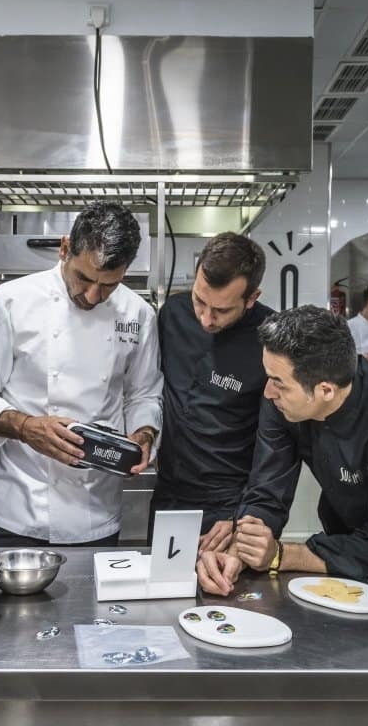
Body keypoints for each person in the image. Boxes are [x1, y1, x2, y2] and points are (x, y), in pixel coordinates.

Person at [0, 202, 163, 546]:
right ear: (65, 248)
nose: (93, 296)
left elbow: (143, 394)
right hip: (16, 508)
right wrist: (26, 427)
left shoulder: (138, 314)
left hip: (96, 513)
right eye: (84, 278)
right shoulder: (10, 301)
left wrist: (143, 434)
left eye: (109, 285)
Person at [197, 305, 368, 596]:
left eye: (279, 384)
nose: (268, 392)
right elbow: (266, 491)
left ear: (325, 391)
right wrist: (241, 548)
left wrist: (280, 555)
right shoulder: (279, 403)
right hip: (340, 543)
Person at [149, 232, 274, 551]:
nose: (205, 318)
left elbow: (277, 444)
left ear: (251, 297)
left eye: (221, 310)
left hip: (228, 507)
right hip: (169, 495)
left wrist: (247, 515)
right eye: (199, 301)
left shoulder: (271, 339)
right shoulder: (172, 314)